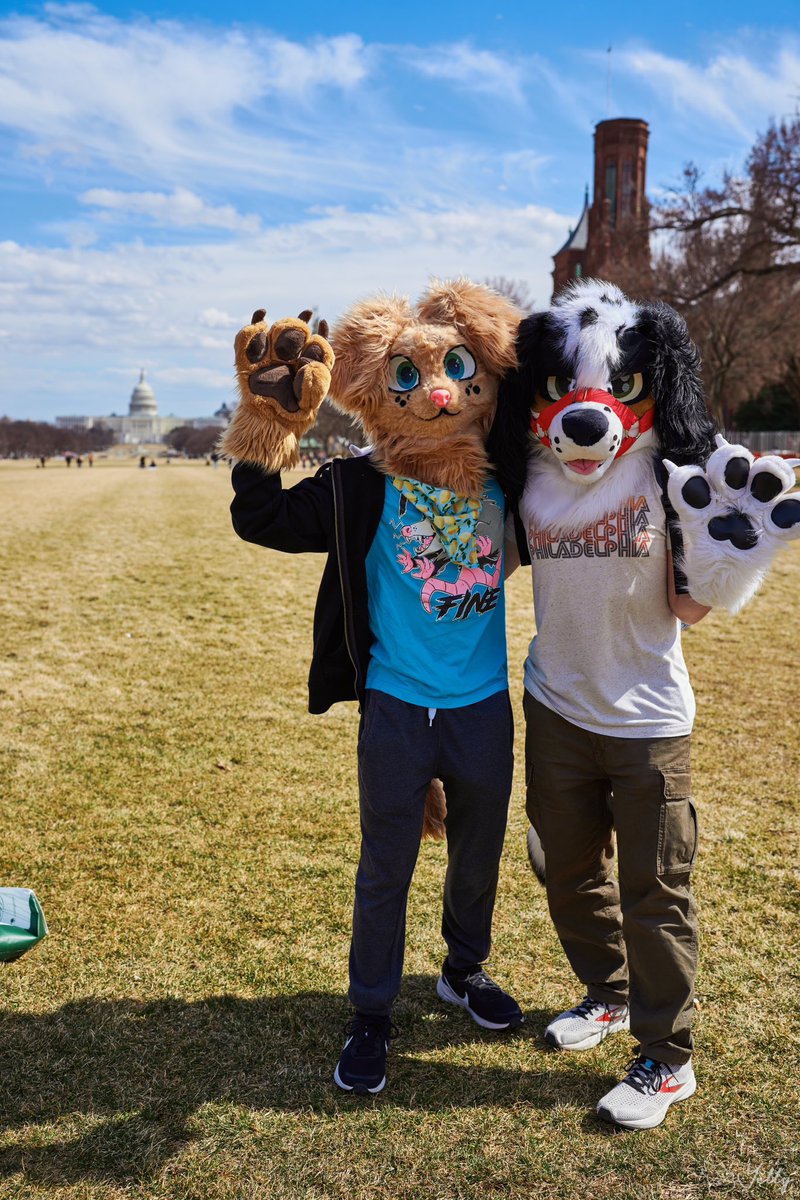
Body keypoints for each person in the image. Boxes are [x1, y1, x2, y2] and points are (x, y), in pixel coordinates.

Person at [224, 284, 527, 1095]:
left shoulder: (510, 483)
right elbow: (263, 521)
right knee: (385, 865)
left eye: (461, 372)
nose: (439, 391)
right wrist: (268, 424)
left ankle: (463, 971)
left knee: (476, 854)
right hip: (396, 702)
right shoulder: (362, 486)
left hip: (482, 707)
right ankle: (371, 1011)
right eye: (412, 378)